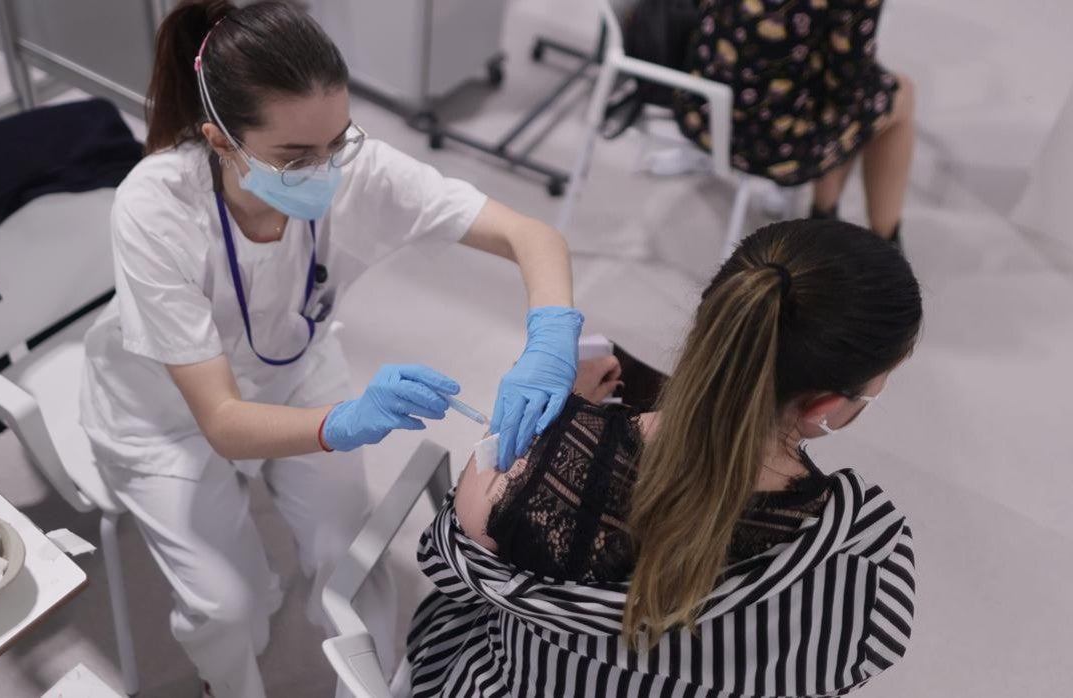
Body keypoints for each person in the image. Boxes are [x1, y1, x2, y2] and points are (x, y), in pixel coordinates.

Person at [78, 2, 583, 695]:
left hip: (293, 365)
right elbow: (223, 424)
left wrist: (550, 340)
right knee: (229, 608)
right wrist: (342, 424)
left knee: (353, 562)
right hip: (167, 414)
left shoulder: (354, 167)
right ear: (221, 142)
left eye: (337, 141)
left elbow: (532, 237)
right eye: (295, 157)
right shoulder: (155, 208)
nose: (328, 169)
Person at [408, 219, 922, 696]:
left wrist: (567, 419)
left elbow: (450, 573)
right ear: (825, 406)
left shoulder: (517, 473)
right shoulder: (862, 566)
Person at [673, 0, 916, 248]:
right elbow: (851, 82)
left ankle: (825, 216)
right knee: (901, 94)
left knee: (837, 93)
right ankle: (885, 246)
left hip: (698, 108)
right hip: (773, 148)